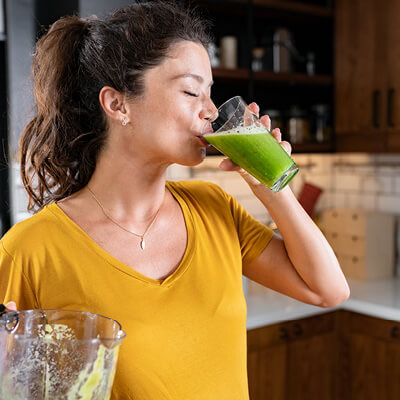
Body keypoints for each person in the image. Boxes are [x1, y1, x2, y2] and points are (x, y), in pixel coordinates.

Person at [0, 1, 349, 399]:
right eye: (190, 91)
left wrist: (274, 187)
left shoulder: (214, 207)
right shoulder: (30, 251)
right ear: (118, 104)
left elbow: (328, 291)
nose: (211, 111)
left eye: (210, 93)